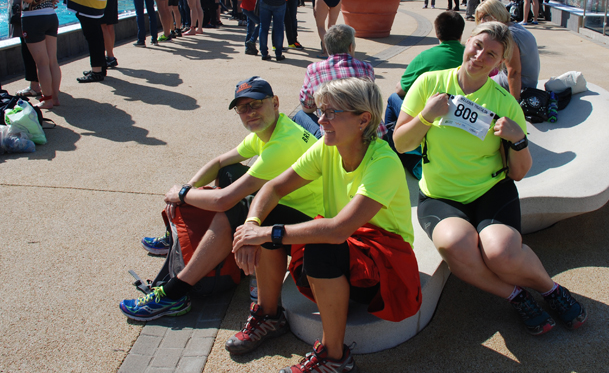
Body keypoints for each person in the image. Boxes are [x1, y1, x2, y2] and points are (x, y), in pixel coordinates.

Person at [393, 21, 587, 337]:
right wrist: (427, 115)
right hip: (440, 196)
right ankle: (515, 295)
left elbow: (519, 172)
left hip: (490, 191)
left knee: (501, 253)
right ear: (468, 42)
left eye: (491, 54)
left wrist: (518, 139)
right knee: (456, 245)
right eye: (478, 46)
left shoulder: (504, 102)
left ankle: (550, 289)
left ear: (499, 64)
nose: (480, 56)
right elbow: (401, 143)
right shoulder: (430, 83)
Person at [232, 77, 420, 372]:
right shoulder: (328, 147)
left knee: (319, 246)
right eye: (321, 111)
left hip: (386, 269)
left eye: (331, 113)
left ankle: (335, 356)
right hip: (350, 250)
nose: (320, 120)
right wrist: (252, 226)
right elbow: (273, 188)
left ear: (363, 120)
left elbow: (338, 230)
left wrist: (265, 235)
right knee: (270, 216)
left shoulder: (383, 162)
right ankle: (269, 315)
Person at [122, 77, 323, 322]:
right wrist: (188, 188)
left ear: (275, 103)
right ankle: (188, 239)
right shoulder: (271, 129)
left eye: (256, 104)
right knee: (229, 173)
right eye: (242, 108)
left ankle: (174, 293)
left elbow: (223, 201)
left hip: (312, 228)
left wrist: (182, 195)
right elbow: (219, 162)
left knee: (234, 207)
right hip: (292, 208)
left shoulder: (282, 144)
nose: (250, 112)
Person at [292, 24, 385, 140]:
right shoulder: (367, 68)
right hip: (370, 133)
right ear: (351, 47)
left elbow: (307, 107)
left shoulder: (314, 70)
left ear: (327, 47)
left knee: (300, 115)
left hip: (333, 136)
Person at [384, 11, 466, 133]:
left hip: (430, 115)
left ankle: (390, 139)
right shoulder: (471, 57)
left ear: (437, 33)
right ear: (461, 33)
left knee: (393, 98)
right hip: (460, 115)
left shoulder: (425, 57)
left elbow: (400, 89)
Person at [4, 0, 60, 109]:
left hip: (33, 18)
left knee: (41, 63)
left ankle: (47, 99)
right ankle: (55, 97)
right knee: (52, 61)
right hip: (50, 16)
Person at [475, 0, 539, 100]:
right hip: (528, 83)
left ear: (495, 14)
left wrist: (514, 103)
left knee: (475, 85)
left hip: (520, 86)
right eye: (480, 19)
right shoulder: (515, 27)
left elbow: (514, 72)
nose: (482, 22)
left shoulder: (508, 36)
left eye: (484, 17)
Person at [5, 0, 41, 99]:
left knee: (30, 53)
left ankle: (35, 85)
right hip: (29, 15)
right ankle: (41, 84)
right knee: (34, 53)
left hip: (28, 16)